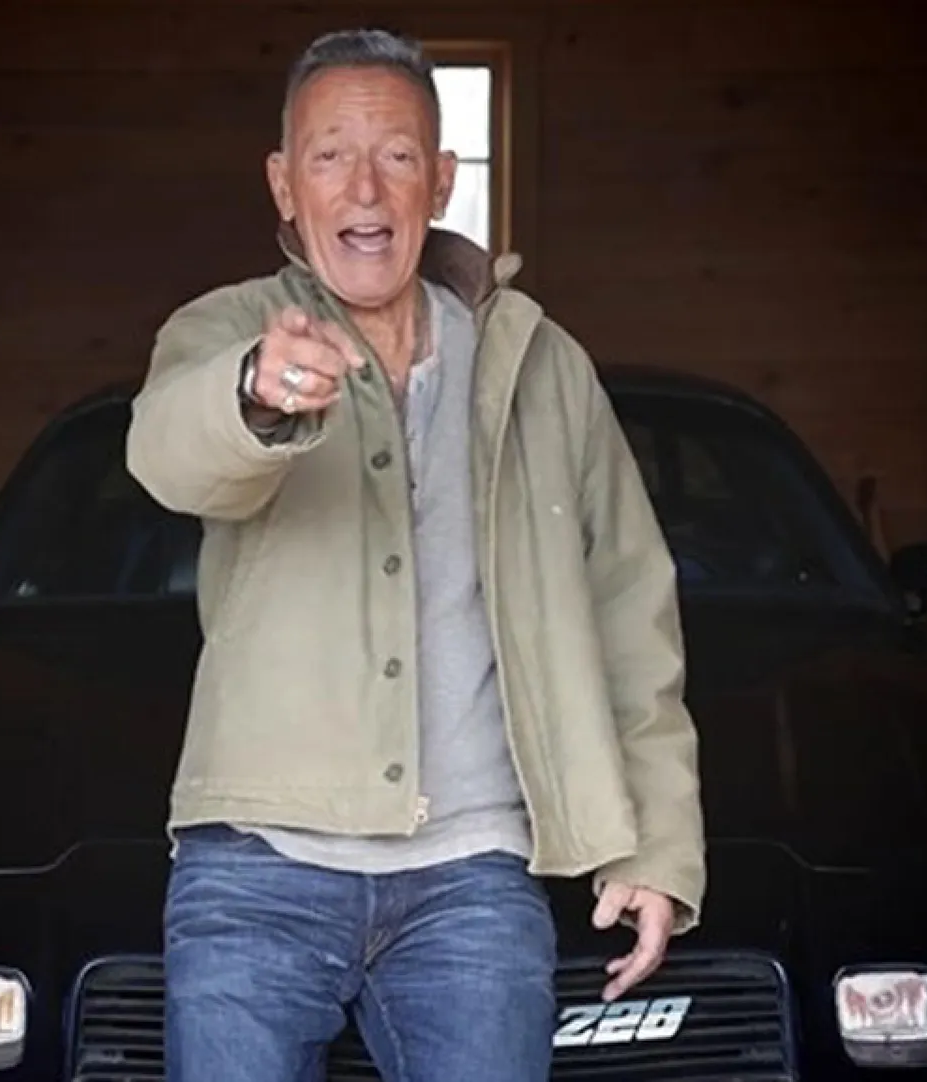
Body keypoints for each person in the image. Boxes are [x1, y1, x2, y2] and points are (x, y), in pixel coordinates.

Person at [124, 26, 705, 1082]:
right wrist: (253, 391)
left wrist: (655, 845)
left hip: (473, 878)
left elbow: (631, 610)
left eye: (396, 155)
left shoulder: (540, 363)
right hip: (256, 867)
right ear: (284, 184)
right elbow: (168, 454)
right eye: (330, 155)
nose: (365, 187)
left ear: (440, 180)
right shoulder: (226, 331)